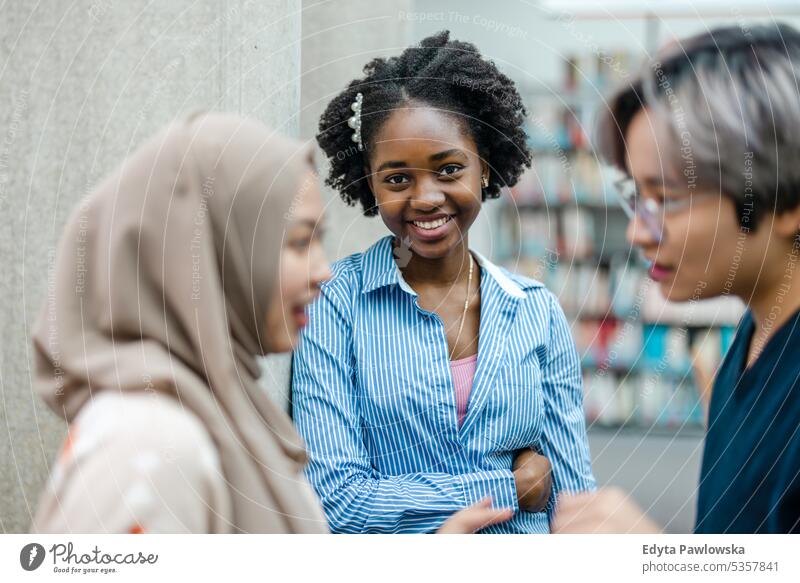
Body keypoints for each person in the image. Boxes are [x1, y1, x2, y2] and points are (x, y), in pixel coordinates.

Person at [31, 112, 505, 534]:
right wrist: (506, 487)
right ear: (212, 251)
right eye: (298, 243)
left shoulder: (227, 414)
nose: (322, 271)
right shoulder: (148, 443)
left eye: (319, 241)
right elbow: (341, 501)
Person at [292, 31, 596, 534]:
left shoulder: (536, 311)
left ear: (483, 168)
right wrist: (511, 486)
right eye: (397, 179)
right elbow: (338, 503)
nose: (426, 197)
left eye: (449, 169)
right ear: (369, 183)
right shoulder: (333, 304)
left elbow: (575, 502)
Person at [553, 23, 800, 534]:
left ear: (787, 199)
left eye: (668, 200)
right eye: (638, 197)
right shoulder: (754, 338)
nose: (638, 233)